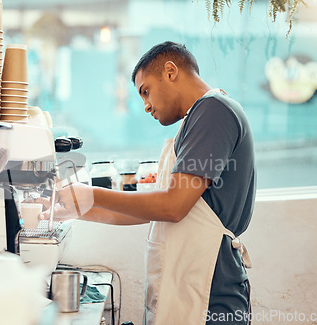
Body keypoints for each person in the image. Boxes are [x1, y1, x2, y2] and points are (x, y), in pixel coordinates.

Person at [43, 41, 256, 325]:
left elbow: (172, 206)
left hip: (212, 290)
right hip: (194, 280)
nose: (145, 106)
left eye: (146, 91)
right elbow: (155, 211)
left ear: (170, 71)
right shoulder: (196, 120)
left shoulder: (213, 112)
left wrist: (91, 193)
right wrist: (78, 208)